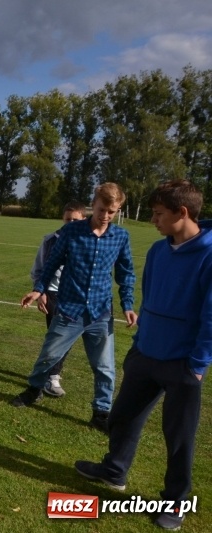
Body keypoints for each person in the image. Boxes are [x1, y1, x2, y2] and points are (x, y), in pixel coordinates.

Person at [75, 180, 211, 530]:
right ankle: (113, 471)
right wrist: (140, 345)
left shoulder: (209, 255)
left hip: (182, 363)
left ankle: (174, 504)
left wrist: (197, 364)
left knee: (178, 438)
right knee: (121, 416)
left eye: (159, 214)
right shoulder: (157, 250)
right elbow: (149, 300)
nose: (154, 220)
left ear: (183, 213)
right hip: (146, 353)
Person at [12, 183, 137, 435]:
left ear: (118, 210)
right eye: (102, 209)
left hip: (101, 313)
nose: (105, 216)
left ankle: (101, 412)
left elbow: (125, 274)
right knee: (48, 355)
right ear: (94, 203)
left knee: (105, 367)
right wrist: (39, 289)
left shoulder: (120, 237)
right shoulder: (72, 232)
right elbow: (52, 263)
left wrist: (127, 304)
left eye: (112, 212)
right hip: (69, 310)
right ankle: (33, 391)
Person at [29, 201, 86, 397]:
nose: (70, 222)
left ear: (83, 219)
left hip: (76, 298)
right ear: (63, 218)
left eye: (75, 219)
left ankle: (49, 375)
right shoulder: (50, 241)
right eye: (68, 219)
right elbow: (38, 270)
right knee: (57, 339)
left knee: (64, 340)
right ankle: (51, 378)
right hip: (53, 294)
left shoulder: (88, 241)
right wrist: (41, 293)